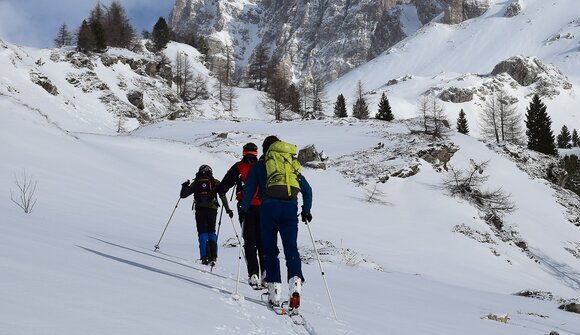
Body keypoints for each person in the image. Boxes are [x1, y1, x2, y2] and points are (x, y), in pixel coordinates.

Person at [240, 136, 313, 311]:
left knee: (270, 250)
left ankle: (274, 292)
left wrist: (244, 209)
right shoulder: (289, 162)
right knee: (291, 248)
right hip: (290, 208)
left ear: (265, 150)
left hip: (268, 209)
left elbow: (249, 189)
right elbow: (307, 190)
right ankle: (295, 284)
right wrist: (306, 210)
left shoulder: (260, 165)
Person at [217, 142, 265, 289]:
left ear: (244, 152)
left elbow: (223, 187)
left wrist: (221, 191)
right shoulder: (263, 167)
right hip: (264, 207)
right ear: (256, 153)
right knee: (263, 242)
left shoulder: (238, 167)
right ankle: (266, 273)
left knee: (249, 241)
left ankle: (253, 274)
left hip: (245, 207)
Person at [180, 164, 231, 266]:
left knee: (202, 233)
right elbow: (222, 195)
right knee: (212, 232)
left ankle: (204, 257)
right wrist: (227, 209)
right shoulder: (214, 181)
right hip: (212, 209)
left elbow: (183, 195)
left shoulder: (196, 183)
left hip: (200, 210)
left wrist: (184, 186)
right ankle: (213, 257)